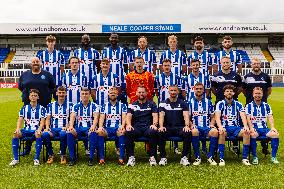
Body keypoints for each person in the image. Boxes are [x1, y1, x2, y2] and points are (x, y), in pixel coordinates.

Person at [18, 57, 55, 156]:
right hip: (29, 106)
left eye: (37, 62)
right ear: (31, 64)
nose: (35, 63)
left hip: (44, 105)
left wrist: (46, 95)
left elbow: (53, 87)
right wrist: (29, 97)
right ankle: (27, 148)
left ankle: (47, 148)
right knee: (29, 126)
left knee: (45, 127)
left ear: (41, 63)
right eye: (33, 62)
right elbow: (20, 87)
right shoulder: (25, 75)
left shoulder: (47, 75)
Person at [215, 84, 251, 166]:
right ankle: (221, 158)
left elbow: (243, 115)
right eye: (227, 91)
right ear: (224, 93)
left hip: (236, 128)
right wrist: (220, 127)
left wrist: (245, 126)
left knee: (246, 132)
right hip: (225, 128)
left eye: (231, 91)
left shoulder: (239, 104)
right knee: (221, 132)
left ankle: (245, 158)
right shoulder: (220, 104)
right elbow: (217, 117)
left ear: (234, 93)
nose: (229, 93)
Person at [243, 57, 273, 155]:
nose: (256, 65)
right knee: (249, 125)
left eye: (258, 63)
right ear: (251, 65)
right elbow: (243, 89)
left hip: (262, 105)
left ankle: (264, 147)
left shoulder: (266, 76)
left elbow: (269, 90)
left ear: (260, 64)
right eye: (254, 63)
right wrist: (249, 97)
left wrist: (263, 97)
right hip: (249, 104)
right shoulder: (247, 77)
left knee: (262, 124)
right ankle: (251, 146)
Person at [9, 89, 46, 166]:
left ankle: (36, 159)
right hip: (26, 130)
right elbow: (20, 120)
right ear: (29, 97)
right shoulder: (24, 108)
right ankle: (16, 159)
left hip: (36, 131)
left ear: (38, 97)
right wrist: (18, 128)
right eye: (32, 95)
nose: (33, 97)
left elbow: (42, 122)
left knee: (38, 134)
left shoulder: (42, 109)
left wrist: (39, 130)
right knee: (15, 134)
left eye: (35, 96)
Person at [158, 85, 192, 166]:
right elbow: (161, 115)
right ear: (168, 92)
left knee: (187, 133)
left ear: (178, 92)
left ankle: (184, 157)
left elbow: (186, 115)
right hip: (167, 127)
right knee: (160, 133)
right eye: (171, 91)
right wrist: (161, 126)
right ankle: (163, 157)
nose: (173, 92)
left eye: (175, 90)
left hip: (179, 127)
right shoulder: (163, 103)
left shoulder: (183, 103)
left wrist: (187, 126)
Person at [125, 86, 159, 166]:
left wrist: (154, 125)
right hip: (136, 127)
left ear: (146, 93)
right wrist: (129, 125)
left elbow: (155, 116)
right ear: (136, 93)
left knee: (153, 131)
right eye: (139, 92)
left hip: (148, 127)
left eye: (143, 92)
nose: (141, 94)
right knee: (128, 131)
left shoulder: (152, 104)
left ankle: (152, 157)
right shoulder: (132, 105)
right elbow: (128, 116)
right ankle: (131, 157)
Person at [66, 88, 100, 166]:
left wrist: (94, 126)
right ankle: (72, 158)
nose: (85, 95)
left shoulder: (94, 106)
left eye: (86, 94)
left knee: (93, 132)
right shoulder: (76, 106)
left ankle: (91, 158)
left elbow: (96, 117)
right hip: (78, 129)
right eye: (83, 94)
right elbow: (73, 116)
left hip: (89, 128)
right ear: (80, 95)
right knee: (69, 132)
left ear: (89, 95)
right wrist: (71, 126)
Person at [246, 87, 279, 164]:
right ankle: (255, 157)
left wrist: (273, 127)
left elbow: (270, 117)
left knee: (275, 135)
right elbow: (248, 118)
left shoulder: (266, 106)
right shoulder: (249, 106)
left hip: (264, 129)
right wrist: (251, 128)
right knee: (253, 134)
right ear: (253, 95)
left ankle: (273, 157)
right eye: (256, 93)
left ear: (262, 94)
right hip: (255, 129)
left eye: (259, 93)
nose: (258, 95)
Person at [188, 82, 218, 166]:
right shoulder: (190, 102)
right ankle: (198, 157)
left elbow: (213, 116)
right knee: (194, 132)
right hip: (196, 127)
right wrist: (191, 124)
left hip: (206, 127)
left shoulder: (208, 102)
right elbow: (187, 117)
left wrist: (212, 124)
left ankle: (210, 156)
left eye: (200, 89)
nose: (199, 90)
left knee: (215, 132)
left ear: (203, 90)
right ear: (194, 89)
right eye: (197, 89)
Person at [42, 86, 73, 165]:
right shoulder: (50, 105)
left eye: (63, 93)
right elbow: (48, 118)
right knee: (45, 134)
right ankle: (51, 154)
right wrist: (47, 127)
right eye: (59, 92)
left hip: (64, 128)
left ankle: (63, 155)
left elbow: (72, 119)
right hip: (53, 129)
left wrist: (67, 126)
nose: (61, 94)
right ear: (56, 93)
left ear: (66, 93)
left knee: (63, 134)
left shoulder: (70, 105)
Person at [96, 87, 127, 165]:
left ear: (117, 94)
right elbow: (102, 118)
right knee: (100, 132)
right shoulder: (104, 106)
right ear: (108, 94)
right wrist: (100, 127)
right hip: (108, 129)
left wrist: (122, 126)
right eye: (111, 93)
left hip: (118, 128)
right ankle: (101, 158)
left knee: (122, 131)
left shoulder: (122, 105)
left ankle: (121, 158)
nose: (112, 94)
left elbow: (124, 118)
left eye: (114, 93)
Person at [36, 35, 65, 99]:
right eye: (49, 42)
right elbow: (38, 69)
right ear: (46, 42)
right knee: (45, 101)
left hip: (57, 82)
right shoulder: (41, 55)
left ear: (54, 42)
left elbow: (62, 69)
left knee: (58, 101)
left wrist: (61, 79)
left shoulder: (60, 55)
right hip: (45, 82)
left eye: (52, 41)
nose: (51, 43)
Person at [102, 33, 128, 103]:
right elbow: (103, 65)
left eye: (115, 38)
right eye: (112, 38)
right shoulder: (105, 51)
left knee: (122, 99)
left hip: (121, 79)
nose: (113, 39)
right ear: (109, 39)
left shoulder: (123, 51)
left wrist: (122, 74)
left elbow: (125, 66)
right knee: (110, 98)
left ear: (118, 39)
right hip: (109, 80)